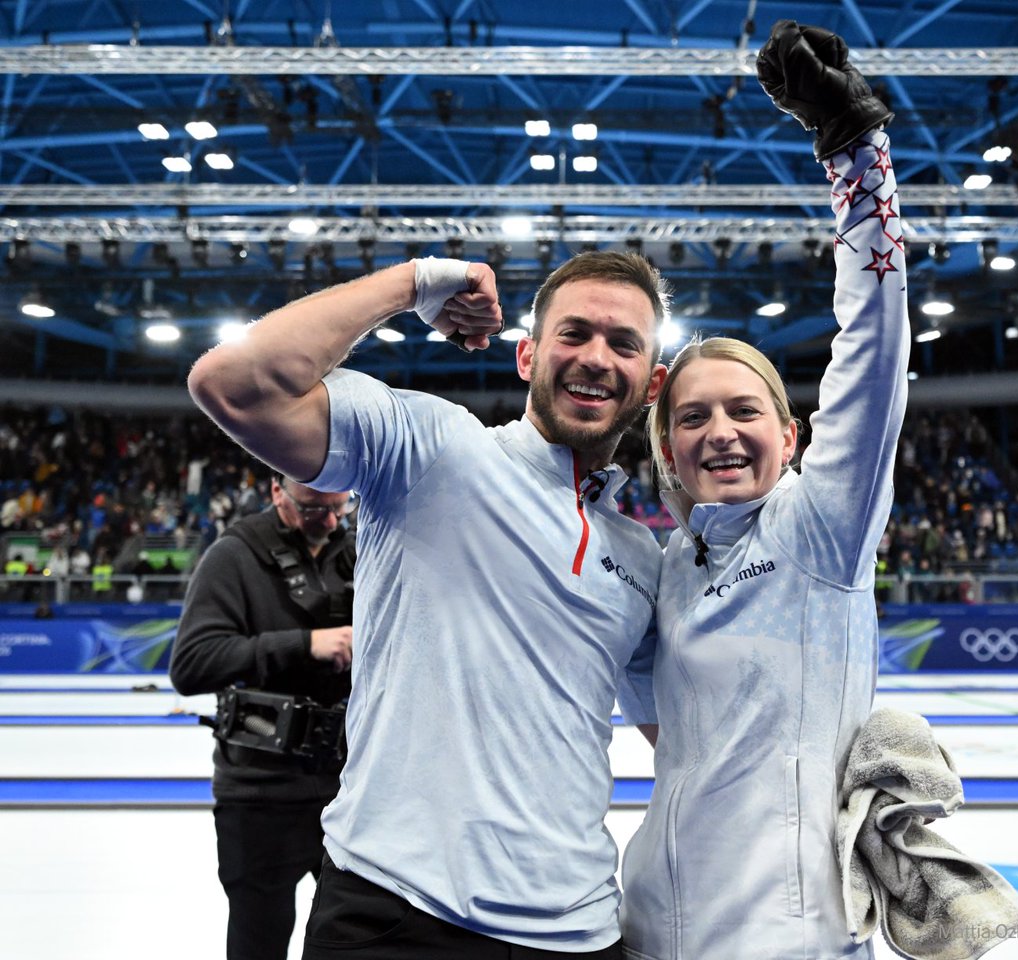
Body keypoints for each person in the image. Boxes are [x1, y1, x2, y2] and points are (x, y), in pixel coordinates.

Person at [186, 249, 670, 958]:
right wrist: (414, 283)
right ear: (527, 355)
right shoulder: (429, 447)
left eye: (622, 343)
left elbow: (686, 740)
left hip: (580, 931)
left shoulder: (641, 557)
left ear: (651, 383)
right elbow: (233, 384)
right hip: (394, 914)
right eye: (573, 334)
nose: (596, 357)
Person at [619, 22, 908, 959]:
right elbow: (675, 741)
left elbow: (872, 358)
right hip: (649, 921)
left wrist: (856, 159)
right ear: (666, 447)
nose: (720, 433)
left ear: (793, 435)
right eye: (692, 418)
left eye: (745, 411)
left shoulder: (822, 529)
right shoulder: (661, 568)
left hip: (794, 938)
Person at [169, 475, 357, 960]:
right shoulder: (233, 556)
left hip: (350, 791)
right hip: (259, 792)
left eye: (341, 508)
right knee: (258, 941)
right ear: (278, 492)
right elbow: (192, 664)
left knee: (354, 940)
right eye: (316, 510)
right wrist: (304, 645)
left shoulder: (358, 551)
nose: (331, 522)